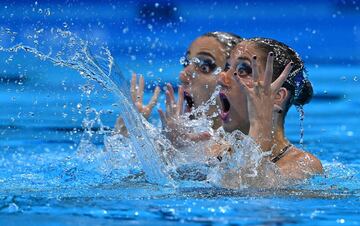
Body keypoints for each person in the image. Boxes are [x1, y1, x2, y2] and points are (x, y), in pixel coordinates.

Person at [215, 38, 323, 180]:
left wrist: (260, 122)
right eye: (227, 67)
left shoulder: (302, 166)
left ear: (277, 96)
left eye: (242, 70)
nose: (221, 78)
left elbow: (248, 194)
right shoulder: (216, 153)